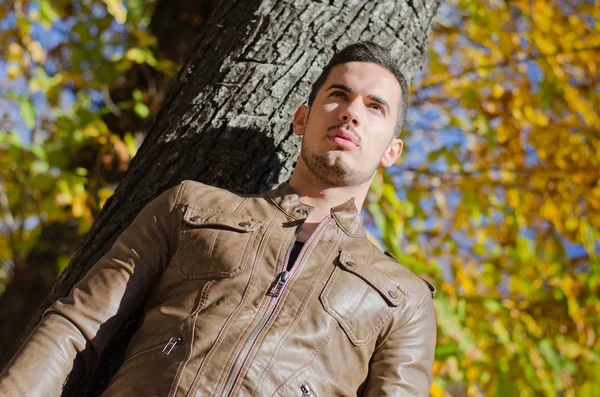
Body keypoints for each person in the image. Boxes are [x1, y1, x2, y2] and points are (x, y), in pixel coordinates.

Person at [0, 41, 436, 396]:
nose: (350, 112)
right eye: (338, 94)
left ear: (391, 152)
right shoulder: (190, 206)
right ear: (301, 119)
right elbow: (77, 327)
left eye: (375, 107)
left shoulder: (404, 298)